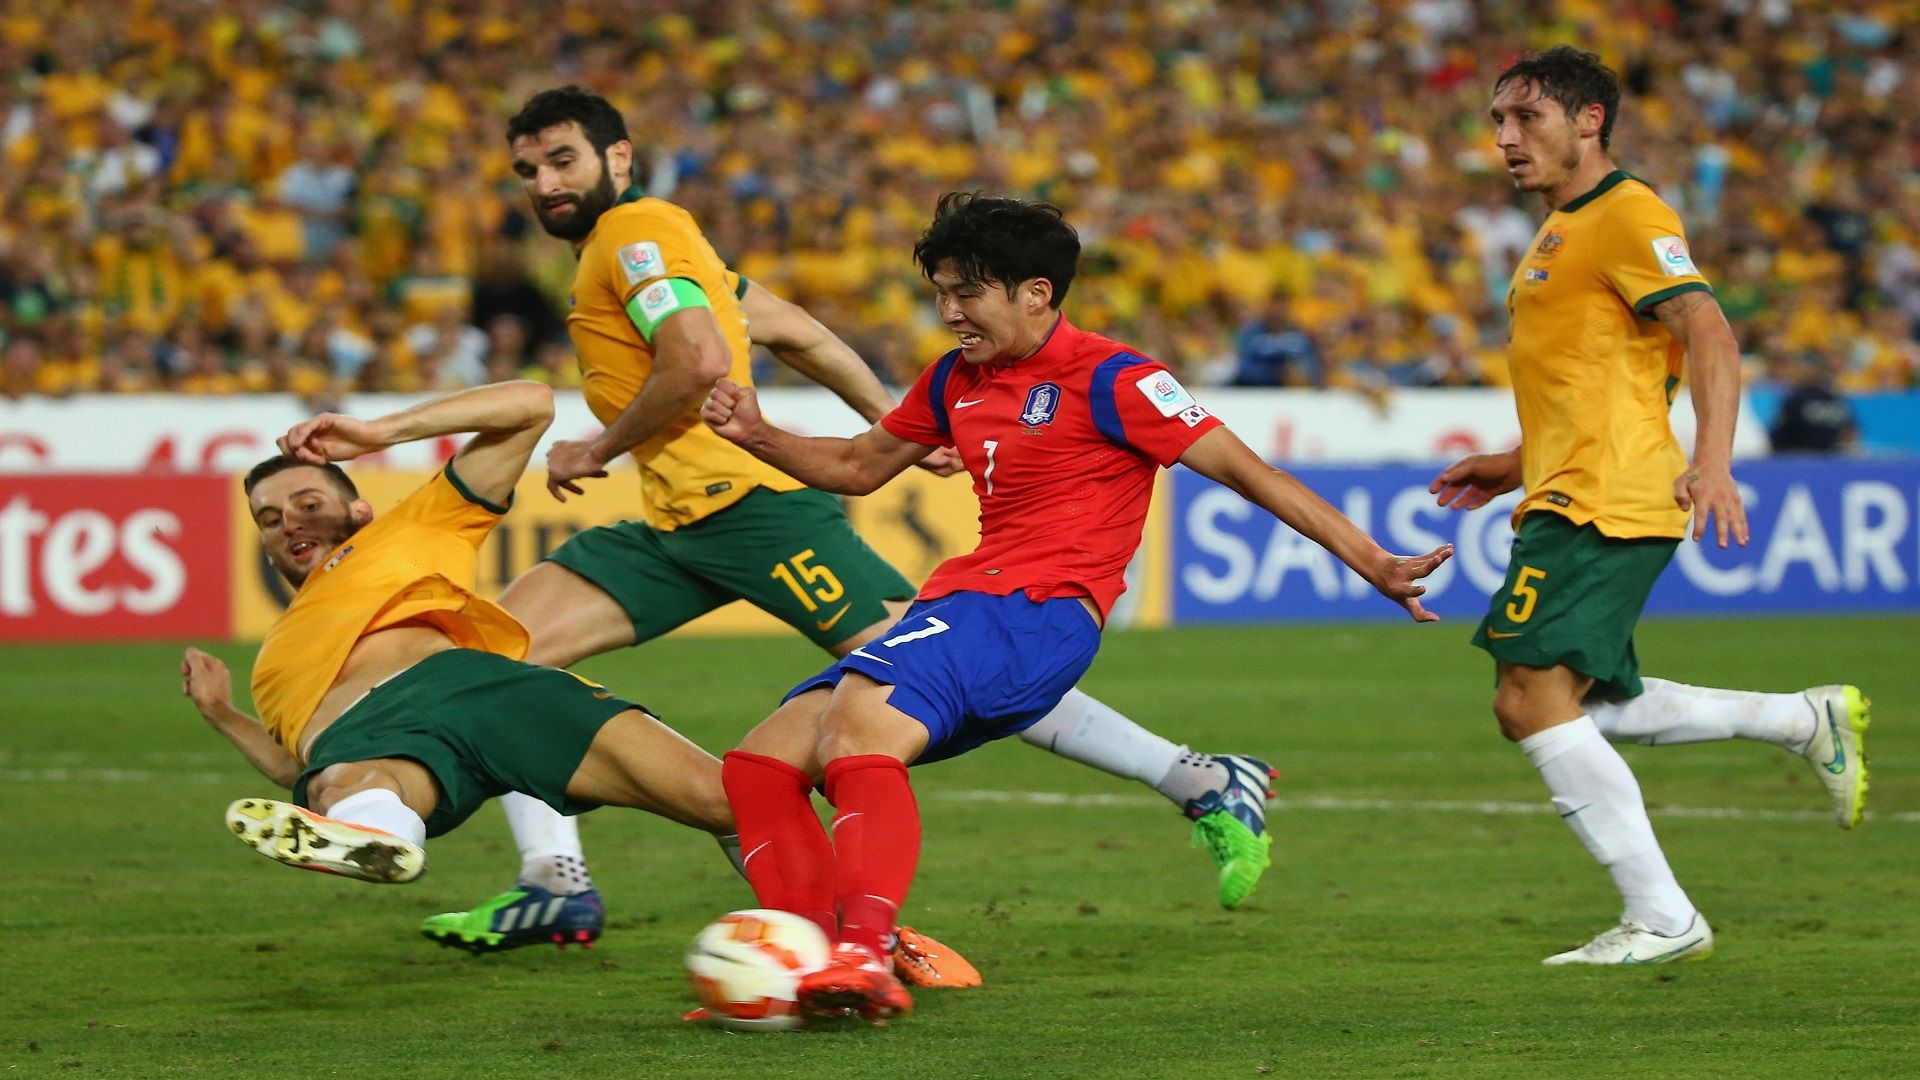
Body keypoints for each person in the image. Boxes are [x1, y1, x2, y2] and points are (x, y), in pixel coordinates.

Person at [423, 87, 1286, 959]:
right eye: (528, 169)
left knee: (925, 677)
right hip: (674, 525)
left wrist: (599, 446)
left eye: (562, 160)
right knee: (500, 656)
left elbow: (697, 358)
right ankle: (557, 878)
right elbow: (795, 331)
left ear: (617, 157)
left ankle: (1196, 780)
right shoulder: (667, 255)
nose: (545, 183)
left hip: (757, 513)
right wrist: (899, 423)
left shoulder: (635, 233)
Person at [700, 191, 1452, 1024]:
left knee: (859, 725)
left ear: (1037, 293)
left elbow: (1252, 474)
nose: (949, 313)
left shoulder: (1117, 379)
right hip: (968, 600)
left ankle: (864, 956)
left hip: (1039, 613)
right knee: (760, 764)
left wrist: (1373, 561)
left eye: (967, 293)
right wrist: (759, 433)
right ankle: (809, 968)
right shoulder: (954, 376)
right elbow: (857, 465)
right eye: (941, 294)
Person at [1428, 47, 1870, 967]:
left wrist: (1714, 462)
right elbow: (1607, 377)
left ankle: (1663, 916)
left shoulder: (1628, 214)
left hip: (1607, 497)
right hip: (1569, 485)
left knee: (1528, 698)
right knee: (1585, 701)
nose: (1506, 138)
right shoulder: (1561, 230)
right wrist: (1517, 461)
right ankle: (1801, 720)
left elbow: (1709, 331)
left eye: (1527, 117)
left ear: (1590, 121)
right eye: (1499, 120)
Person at [181, 381, 734, 903]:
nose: (290, 523)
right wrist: (223, 714)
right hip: (374, 740)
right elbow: (295, 768)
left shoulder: (413, 525)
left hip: (471, 686)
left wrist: (379, 432)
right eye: (270, 519)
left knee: (722, 801)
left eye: (308, 504)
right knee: (335, 782)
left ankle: (790, 927)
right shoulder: (269, 665)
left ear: (360, 511)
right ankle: (371, 836)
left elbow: (531, 405)